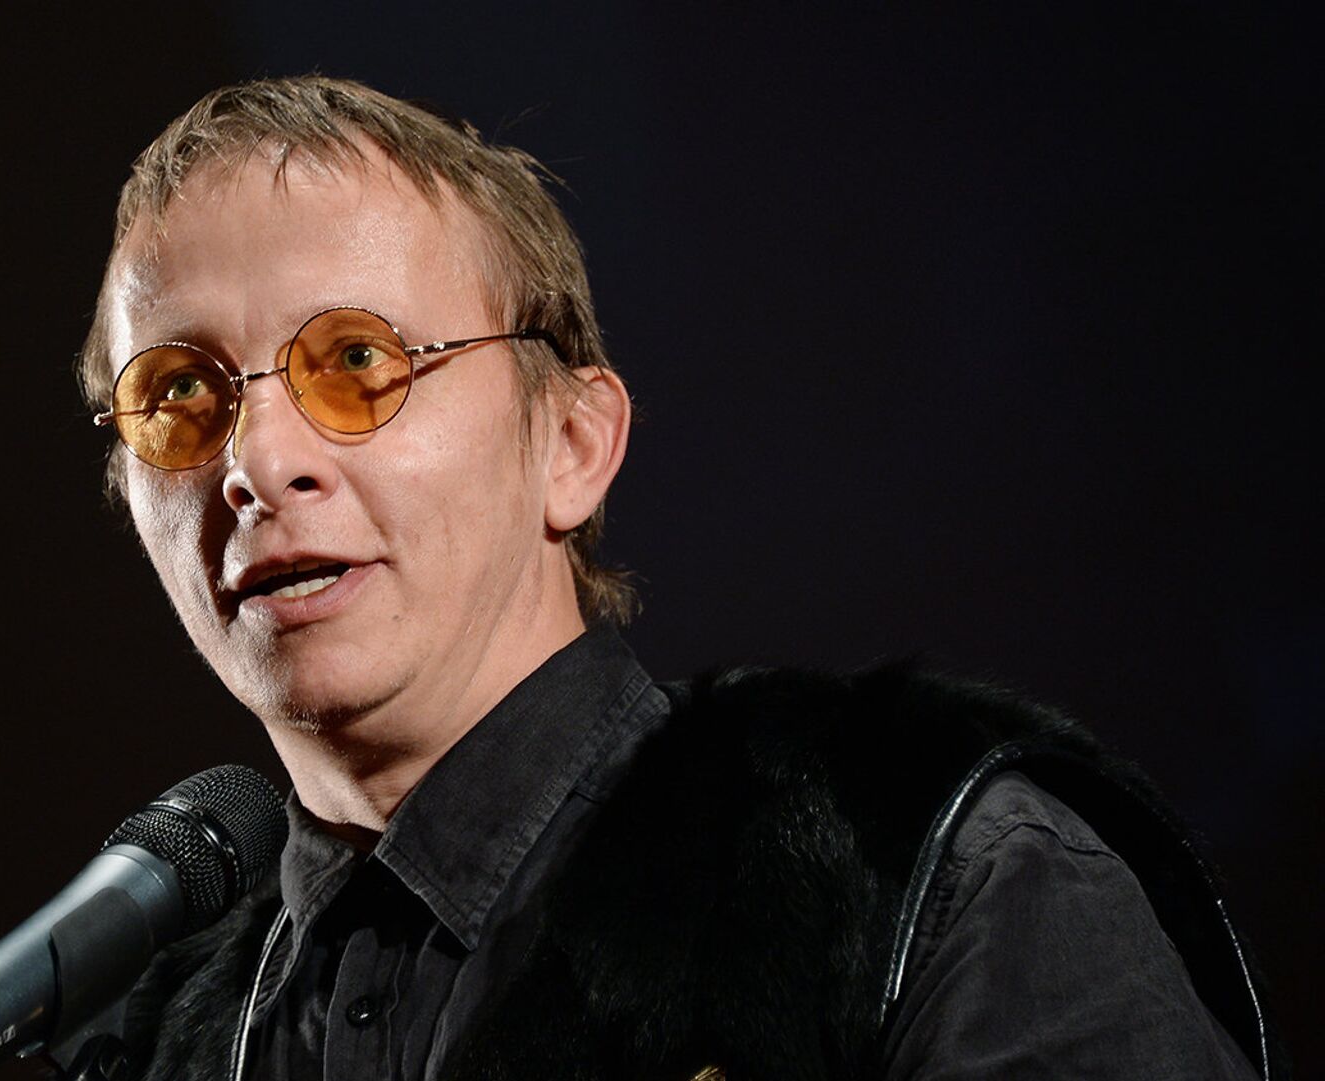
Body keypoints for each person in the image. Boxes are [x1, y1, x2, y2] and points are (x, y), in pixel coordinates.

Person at [75, 76, 1282, 1080]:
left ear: (571, 443)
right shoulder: (155, 1044)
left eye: (356, 360)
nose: (259, 463)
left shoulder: (921, 870)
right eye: (179, 394)